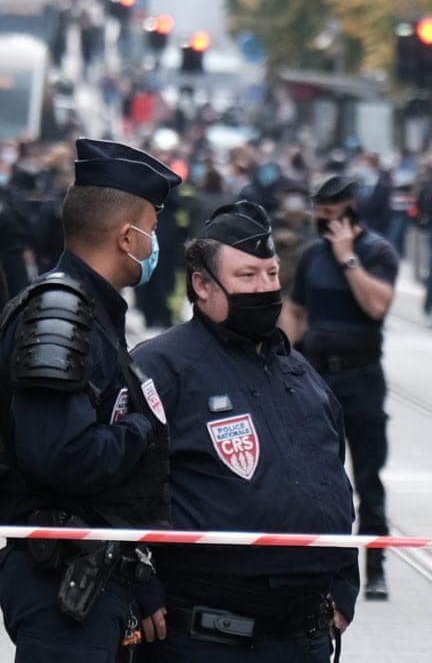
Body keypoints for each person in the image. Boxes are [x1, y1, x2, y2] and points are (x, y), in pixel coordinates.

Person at [131, 201, 359, 661]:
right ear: (202, 285)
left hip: (305, 637)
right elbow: (118, 485)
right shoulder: (163, 367)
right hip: (207, 637)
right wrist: (138, 582)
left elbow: (332, 478)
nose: (265, 288)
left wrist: (343, 583)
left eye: (271, 274)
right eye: (247, 276)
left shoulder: (299, 373)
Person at [0, 138, 180, 661]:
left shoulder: (93, 311)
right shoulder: (59, 314)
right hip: (58, 581)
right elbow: (63, 455)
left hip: (92, 573)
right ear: (127, 237)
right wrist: (144, 428)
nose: (155, 242)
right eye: (152, 228)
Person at [281, 176, 398, 600]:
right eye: (320, 214)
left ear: (350, 212)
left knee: (368, 477)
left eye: (331, 215)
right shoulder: (312, 256)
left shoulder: (377, 253)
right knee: (318, 478)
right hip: (317, 377)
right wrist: (281, 357)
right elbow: (295, 311)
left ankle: (376, 567)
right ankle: (322, 568)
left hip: (361, 377)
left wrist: (348, 258)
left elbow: (376, 305)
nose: (324, 222)